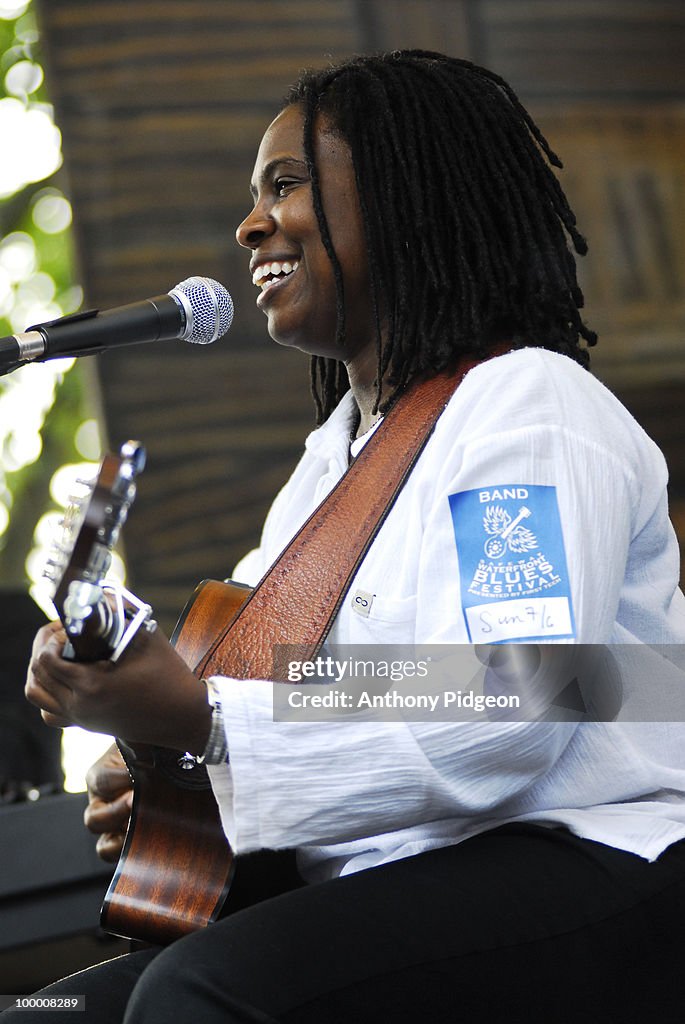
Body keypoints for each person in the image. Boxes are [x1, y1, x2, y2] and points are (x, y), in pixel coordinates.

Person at [8, 50, 685, 1023]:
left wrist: (206, 721)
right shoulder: (327, 471)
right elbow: (275, 683)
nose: (248, 223)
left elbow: (519, 686)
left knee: (195, 996)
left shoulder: (527, 408)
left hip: (593, 857)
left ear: (413, 196)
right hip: (392, 880)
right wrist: (158, 749)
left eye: (286, 184)